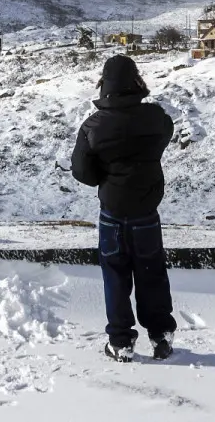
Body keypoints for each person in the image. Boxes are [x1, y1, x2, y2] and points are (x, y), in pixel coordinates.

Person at [71, 54, 177, 363]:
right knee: (152, 273)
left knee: (115, 276)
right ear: (136, 81)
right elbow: (164, 138)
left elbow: (82, 172)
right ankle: (160, 335)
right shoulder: (156, 118)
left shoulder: (93, 125)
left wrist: (106, 173)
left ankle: (120, 340)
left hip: (112, 213)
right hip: (146, 211)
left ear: (104, 84)